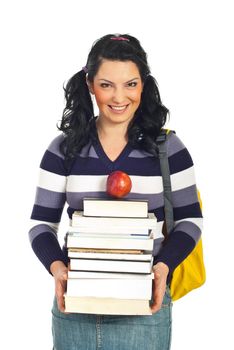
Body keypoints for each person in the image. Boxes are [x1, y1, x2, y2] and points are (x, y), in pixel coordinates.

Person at [29, 33, 203, 350]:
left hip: (145, 307)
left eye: (131, 84)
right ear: (89, 84)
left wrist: (164, 267)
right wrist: (57, 267)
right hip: (75, 306)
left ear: (144, 85)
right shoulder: (63, 149)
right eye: (106, 84)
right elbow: (41, 224)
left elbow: (191, 220)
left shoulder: (168, 148)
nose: (119, 96)